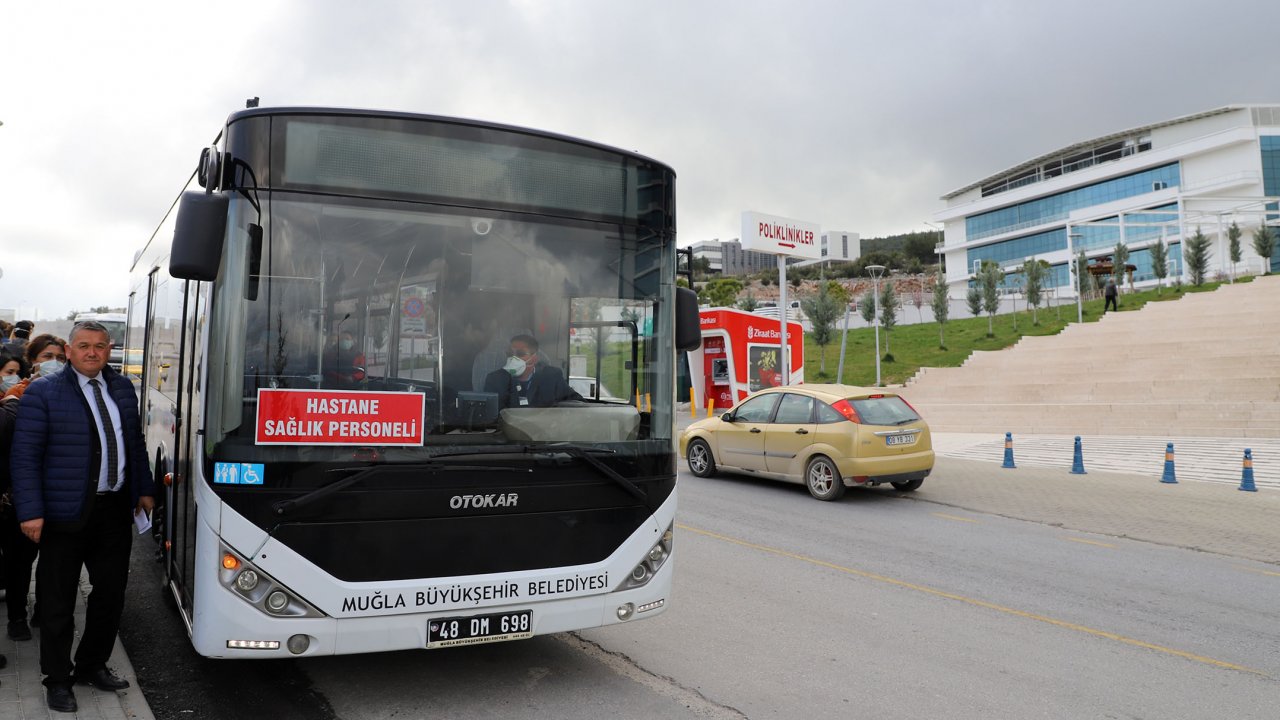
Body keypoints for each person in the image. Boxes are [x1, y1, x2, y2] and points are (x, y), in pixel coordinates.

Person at [10, 321, 155, 713]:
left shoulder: (122, 388)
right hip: (62, 512)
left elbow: (134, 443)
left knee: (109, 595)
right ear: (69, 350)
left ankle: (92, 665)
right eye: (84, 346)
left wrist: (144, 488)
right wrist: (32, 512)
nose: (93, 352)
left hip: (113, 509)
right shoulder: (44, 392)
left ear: (110, 350)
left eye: (100, 346)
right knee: (57, 601)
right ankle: (57, 679)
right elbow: (24, 458)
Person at [482, 334, 581, 409]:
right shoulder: (495, 380)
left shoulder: (551, 377)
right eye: (509, 354)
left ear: (534, 359)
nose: (513, 358)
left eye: (520, 353)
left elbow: (578, 403)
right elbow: (489, 416)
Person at [4, 334, 67, 401]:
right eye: (48, 356)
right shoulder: (18, 391)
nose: (54, 362)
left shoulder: (70, 389)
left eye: (60, 358)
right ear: (33, 359)